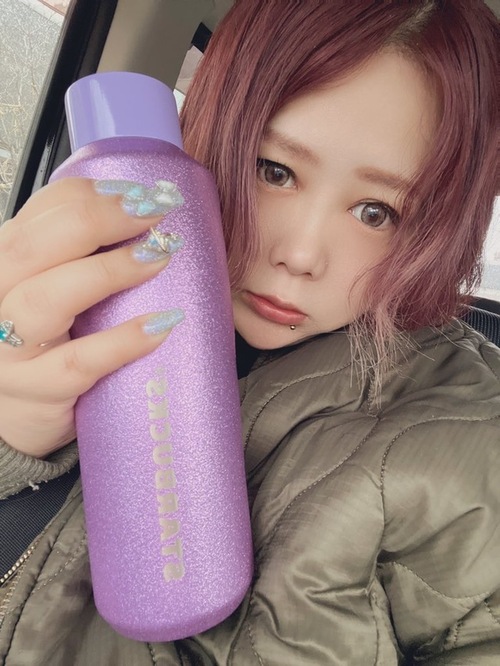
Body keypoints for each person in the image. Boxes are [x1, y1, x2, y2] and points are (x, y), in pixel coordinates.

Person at [0, 0, 499, 663]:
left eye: (376, 211)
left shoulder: (469, 437)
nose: (301, 254)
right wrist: (13, 450)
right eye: (274, 170)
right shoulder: (70, 299)